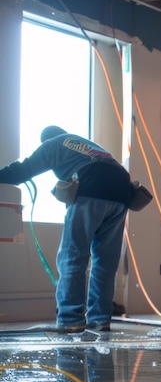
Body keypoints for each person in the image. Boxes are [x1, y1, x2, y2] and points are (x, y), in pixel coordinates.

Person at [0, 126, 133, 333]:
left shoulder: (53, 144)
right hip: (122, 192)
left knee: (72, 256)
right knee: (105, 261)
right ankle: (99, 320)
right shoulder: (88, 146)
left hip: (91, 188)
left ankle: (71, 320)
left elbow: (22, 171)